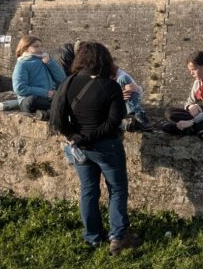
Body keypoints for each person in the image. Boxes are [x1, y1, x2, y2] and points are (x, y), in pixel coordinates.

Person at [49, 41, 140, 254]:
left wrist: (76, 137)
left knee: (88, 191)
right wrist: (89, 137)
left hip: (80, 148)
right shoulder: (110, 86)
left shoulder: (68, 83)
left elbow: (58, 119)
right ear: (104, 60)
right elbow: (113, 122)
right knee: (117, 190)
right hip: (106, 146)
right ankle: (118, 237)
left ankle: (92, 237)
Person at [53, 41, 152, 131]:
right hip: (97, 118)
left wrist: (138, 89)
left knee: (123, 80)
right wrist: (118, 95)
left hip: (96, 119)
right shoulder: (92, 81)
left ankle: (134, 119)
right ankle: (135, 120)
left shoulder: (118, 77)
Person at [12, 36, 66, 121]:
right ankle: (54, 111)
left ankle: (46, 113)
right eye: (36, 46)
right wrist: (46, 93)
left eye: (40, 46)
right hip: (30, 100)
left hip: (48, 99)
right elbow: (20, 88)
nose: (40, 48)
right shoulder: (22, 64)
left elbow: (62, 79)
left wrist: (50, 63)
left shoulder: (45, 60)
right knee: (32, 101)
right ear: (26, 48)